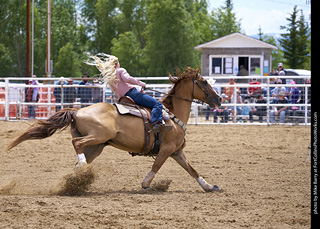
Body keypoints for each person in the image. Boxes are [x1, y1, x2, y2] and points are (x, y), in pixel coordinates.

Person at [86, 54, 171, 133]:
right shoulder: (120, 70)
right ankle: (155, 123)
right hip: (133, 94)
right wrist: (141, 83)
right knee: (157, 104)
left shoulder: (110, 80)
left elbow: (122, 86)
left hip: (123, 99)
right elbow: (127, 79)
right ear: (116, 64)